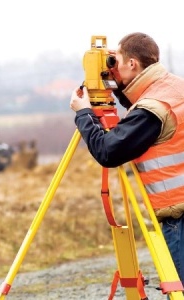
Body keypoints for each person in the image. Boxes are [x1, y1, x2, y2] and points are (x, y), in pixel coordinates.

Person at [70, 32, 184, 290]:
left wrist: (84, 114)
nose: (112, 68)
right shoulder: (174, 87)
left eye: (116, 60)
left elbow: (108, 152)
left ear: (132, 64)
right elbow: (140, 111)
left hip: (179, 216)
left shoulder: (152, 110)